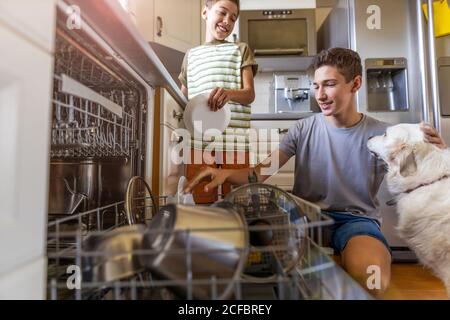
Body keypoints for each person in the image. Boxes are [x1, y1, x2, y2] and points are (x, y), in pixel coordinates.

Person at [184, 47, 447, 298]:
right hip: (303, 216)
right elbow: (260, 174)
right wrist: (224, 174)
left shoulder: (385, 135)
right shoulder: (303, 128)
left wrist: (436, 153)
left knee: (373, 282)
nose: (319, 94)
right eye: (316, 85)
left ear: (355, 84)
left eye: (329, 84)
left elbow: (421, 177)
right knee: (260, 266)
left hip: (356, 222)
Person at [178, 0, 258, 203]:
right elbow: (182, 99)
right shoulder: (191, 56)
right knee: (200, 199)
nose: (227, 21)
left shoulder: (240, 50)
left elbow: (249, 94)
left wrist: (229, 94)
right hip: (199, 143)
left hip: (235, 141)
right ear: (205, 12)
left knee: (238, 202)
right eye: (222, 13)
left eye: (233, 17)